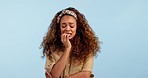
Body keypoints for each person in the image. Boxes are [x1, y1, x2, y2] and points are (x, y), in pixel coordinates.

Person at [41, 7, 100, 78]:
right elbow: (54, 75)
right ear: (59, 28)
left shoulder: (88, 46)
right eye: (63, 26)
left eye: (71, 26)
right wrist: (67, 48)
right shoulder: (52, 47)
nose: (67, 29)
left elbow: (85, 75)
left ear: (77, 27)